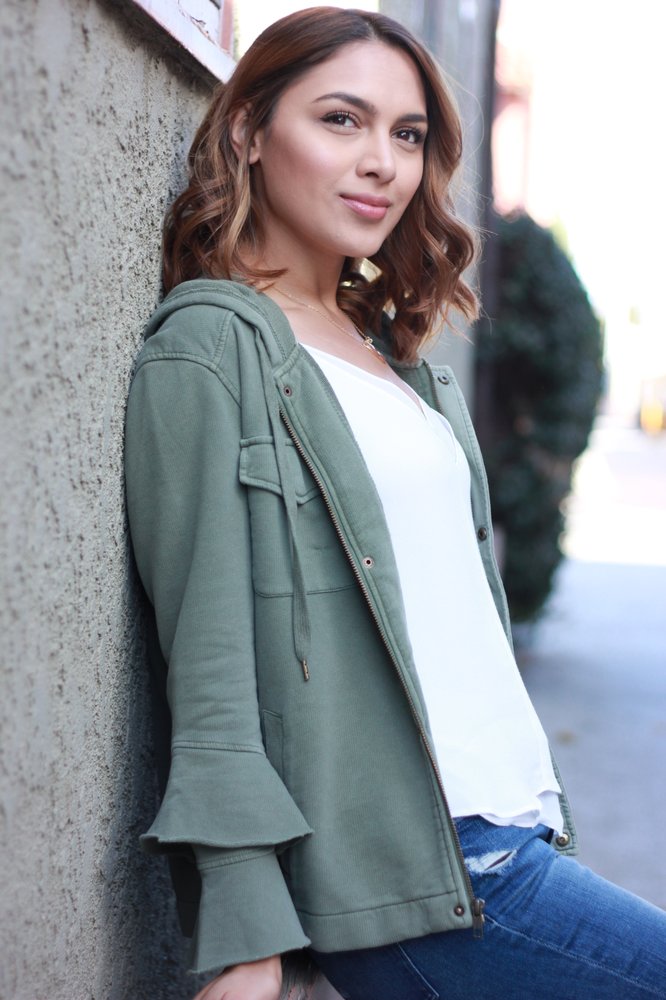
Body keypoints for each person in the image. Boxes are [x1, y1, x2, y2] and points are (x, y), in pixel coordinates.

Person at [124, 8, 666, 1000]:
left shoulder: (392, 358)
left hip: (506, 841)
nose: (382, 161)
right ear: (248, 131)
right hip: (427, 880)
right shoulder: (214, 348)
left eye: (407, 134)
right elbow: (208, 660)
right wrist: (250, 935)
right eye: (341, 119)